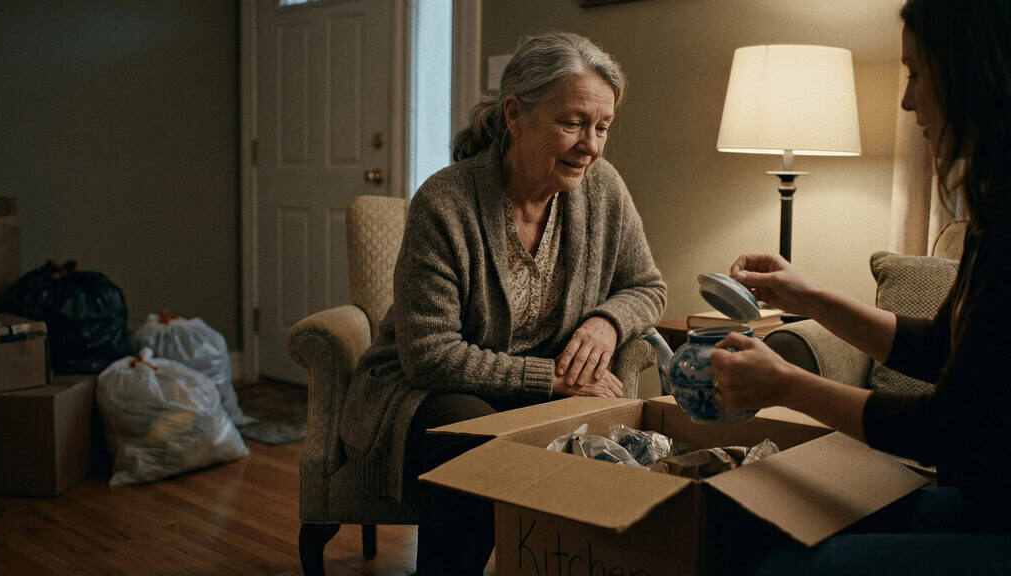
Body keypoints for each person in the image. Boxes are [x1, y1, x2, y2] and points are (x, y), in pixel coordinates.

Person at [339, 31, 666, 575]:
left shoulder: (603, 188)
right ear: (515, 114)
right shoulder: (446, 202)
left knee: (606, 441)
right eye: (572, 123)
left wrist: (608, 322)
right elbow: (431, 355)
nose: (592, 145)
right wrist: (553, 379)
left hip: (531, 389)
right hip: (425, 392)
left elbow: (647, 287)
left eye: (602, 126)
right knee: (476, 440)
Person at [709, 1, 1011, 574]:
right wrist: (809, 298)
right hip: (983, 502)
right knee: (741, 519)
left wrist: (785, 385)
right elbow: (940, 348)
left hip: (995, 521)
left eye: (917, 73)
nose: (906, 100)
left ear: (973, 71)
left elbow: (946, 428)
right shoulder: (990, 214)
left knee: (787, 566)